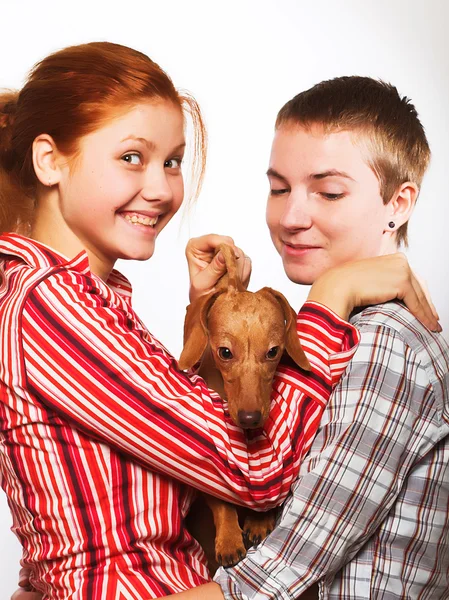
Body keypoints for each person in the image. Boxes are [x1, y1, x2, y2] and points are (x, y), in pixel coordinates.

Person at [2, 45, 439, 600]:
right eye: (132, 157)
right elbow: (253, 474)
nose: (162, 189)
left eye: (173, 161)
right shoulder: (53, 308)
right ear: (49, 162)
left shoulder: (93, 303)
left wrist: (204, 315)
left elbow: (101, 495)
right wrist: (332, 295)